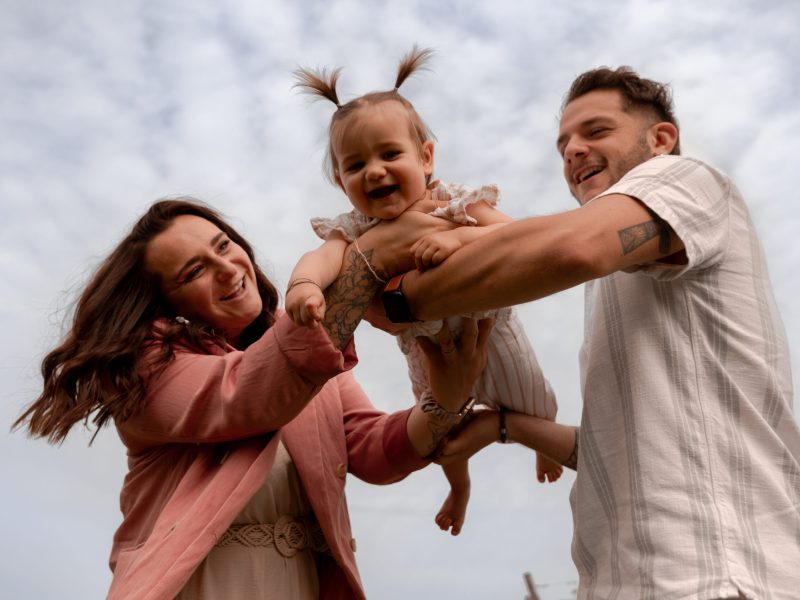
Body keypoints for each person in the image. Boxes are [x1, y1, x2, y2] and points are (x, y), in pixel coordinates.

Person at [360, 67, 800, 599]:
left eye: (595, 132)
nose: (573, 151)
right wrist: (504, 427)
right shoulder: (617, 279)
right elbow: (616, 454)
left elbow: (571, 247)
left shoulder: (685, 181)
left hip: (716, 575)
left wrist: (391, 287)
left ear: (660, 140)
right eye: (563, 143)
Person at [12, 198, 492, 600]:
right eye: (194, 270)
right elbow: (246, 390)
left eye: (223, 246)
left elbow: (368, 448)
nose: (226, 268)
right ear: (166, 303)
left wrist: (443, 401)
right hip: (205, 583)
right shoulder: (147, 369)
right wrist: (364, 265)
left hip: (305, 581)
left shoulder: (305, 356)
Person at [286, 46, 560, 536]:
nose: (375, 171)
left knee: (537, 402)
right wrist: (305, 284)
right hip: (425, 348)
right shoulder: (351, 229)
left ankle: (542, 442)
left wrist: (457, 237)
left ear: (426, 157)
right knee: (442, 437)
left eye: (391, 154)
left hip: (492, 333)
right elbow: (323, 259)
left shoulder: (452, 204)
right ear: (339, 179)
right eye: (356, 164)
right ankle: (459, 486)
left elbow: (517, 236)